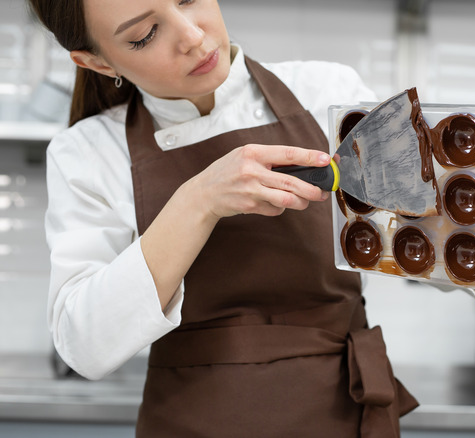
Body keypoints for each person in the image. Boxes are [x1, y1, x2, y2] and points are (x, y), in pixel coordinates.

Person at [29, 0, 418, 435]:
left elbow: (420, 235)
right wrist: (200, 200)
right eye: (145, 35)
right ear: (96, 62)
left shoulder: (326, 91)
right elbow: (85, 346)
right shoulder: (87, 153)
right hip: (192, 421)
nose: (193, 36)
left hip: (345, 413)